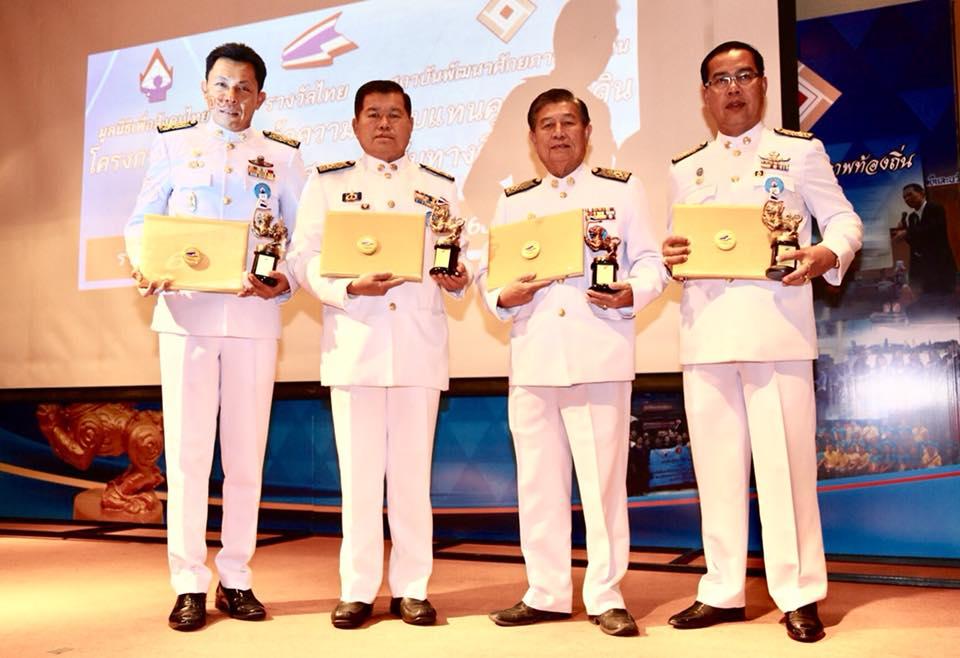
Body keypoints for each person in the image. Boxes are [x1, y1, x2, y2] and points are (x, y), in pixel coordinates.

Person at [661, 41, 863, 643]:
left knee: (786, 472)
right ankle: (722, 590)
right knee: (716, 473)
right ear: (705, 95)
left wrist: (826, 253)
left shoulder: (799, 152)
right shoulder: (685, 167)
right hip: (706, 335)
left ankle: (799, 595)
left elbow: (844, 220)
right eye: (720, 79)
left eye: (743, 75)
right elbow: (678, 246)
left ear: (763, 84)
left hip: (777, 331)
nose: (732, 88)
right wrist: (672, 256)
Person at [124, 42, 306, 631]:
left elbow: (305, 238)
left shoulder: (283, 157)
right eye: (222, 85)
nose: (232, 96)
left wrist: (284, 277)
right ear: (205, 89)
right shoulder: (174, 145)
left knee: (246, 456)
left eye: (244, 87)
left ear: (260, 96)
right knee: (187, 456)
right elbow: (140, 221)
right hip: (187, 316)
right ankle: (188, 583)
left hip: (253, 319)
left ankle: (237, 577)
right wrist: (145, 263)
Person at [478, 88, 666, 637]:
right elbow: (492, 275)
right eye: (547, 124)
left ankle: (606, 594)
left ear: (587, 131)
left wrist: (632, 292)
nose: (558, 133)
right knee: (538, 485)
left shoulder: (621, 190)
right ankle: (546, 592)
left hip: (599, 354)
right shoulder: (513, 200)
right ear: (532, 138)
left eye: (567, 123)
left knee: (603, 487)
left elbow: (651, 262)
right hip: (534, 358)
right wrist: (501, 296)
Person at [287, 80, 469, 629]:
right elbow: (301, 258)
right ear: (355, 124)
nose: (384, 123)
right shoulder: (328, 184)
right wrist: (345, 288)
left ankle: (412, 589)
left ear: (411, 123)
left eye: (394, 114)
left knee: (412, 481)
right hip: (355, 346)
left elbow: (464, 253)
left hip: (417, 348)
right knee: (360, 482)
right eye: (373, 114)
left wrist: (459, 277)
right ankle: (358, 589)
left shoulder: (439, 186)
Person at [893, 183, 956, 295]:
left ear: (922, 193)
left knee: (943, 301)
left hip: (940, 267)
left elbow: (932, 230)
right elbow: (915, 243)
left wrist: (907, 232)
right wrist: (904, 233)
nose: (907, 199)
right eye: (904, 197)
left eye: (910, 195)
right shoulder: (912, 217)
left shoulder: (935, 208)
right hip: (922, 271)